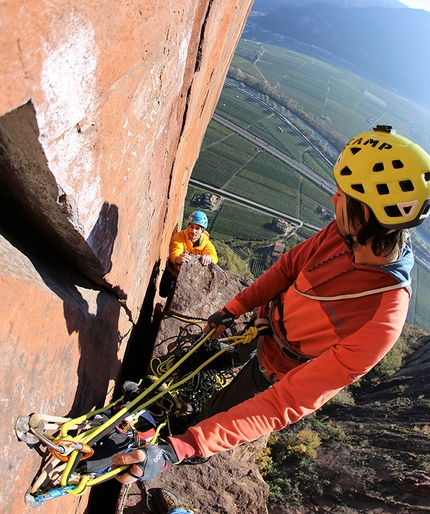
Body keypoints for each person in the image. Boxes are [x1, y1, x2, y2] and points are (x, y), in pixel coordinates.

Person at [114, 126, 430, 483]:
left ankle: (174, 437)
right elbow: (288, 268)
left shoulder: (382, 317)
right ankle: (168, 400)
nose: (333, 199)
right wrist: (233, 309)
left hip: (277, 369)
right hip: (265, 324)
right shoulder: (343, 232)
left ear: (367, 215)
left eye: (342, 195)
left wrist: (181, 449)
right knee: (214, 354)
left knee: (215, 412)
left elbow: (287, 402)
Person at [159, 211, 218, 297]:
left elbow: (213, 256)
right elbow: (175, 250)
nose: (193, 231)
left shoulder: (206, 243)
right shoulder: (179, 236)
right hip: (173, 271)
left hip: (189, 277)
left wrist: (209, 258)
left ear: (202, 230)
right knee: (163, 294)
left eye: (197, 228)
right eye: (191, 226)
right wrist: (177, 258)